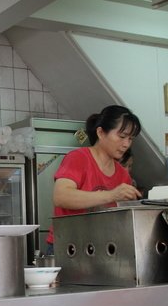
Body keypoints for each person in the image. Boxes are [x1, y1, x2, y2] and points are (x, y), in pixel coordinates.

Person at [46, 105, 142, 251]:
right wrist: (111, 195)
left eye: (130, 139)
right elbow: (61, 196)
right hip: (68, 246)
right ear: (101, 132)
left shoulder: (123, 174)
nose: (126, 144)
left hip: (101, 248)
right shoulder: (78, 158)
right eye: (122, 137)